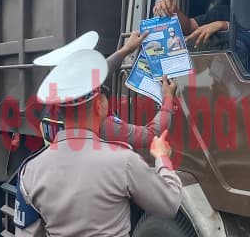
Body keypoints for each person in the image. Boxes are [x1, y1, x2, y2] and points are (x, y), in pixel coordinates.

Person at [16, 48, 182, 237]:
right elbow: (169, 202)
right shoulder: (122, 161)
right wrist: (162, 159)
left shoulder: (31, 170)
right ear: (99, 105)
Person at [40, 31, 179, 150]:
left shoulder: (51, 110)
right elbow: (151, 135)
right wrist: (167, 99)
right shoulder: (105, 127)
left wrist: (125, 50)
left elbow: (95, 74)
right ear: (98, 105)